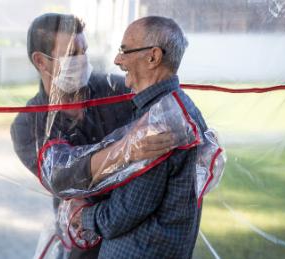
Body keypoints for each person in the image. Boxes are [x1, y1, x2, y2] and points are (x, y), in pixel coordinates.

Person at [10, 13, 175, 258]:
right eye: (71, 54)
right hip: (82, 238)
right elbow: (62, 175)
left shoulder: (119, 92)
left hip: (136, 236)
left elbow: (169, 111)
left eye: (84, 51)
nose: (82, 60)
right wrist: (126, 149)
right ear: (40, 61)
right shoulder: (28, 124)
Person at [74, 16, 208, 258]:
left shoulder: (161, 121)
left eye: (125, 51)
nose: (117, 59)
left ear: (153, 57)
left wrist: (81, 214)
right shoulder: (165, 109)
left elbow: (121, 214)